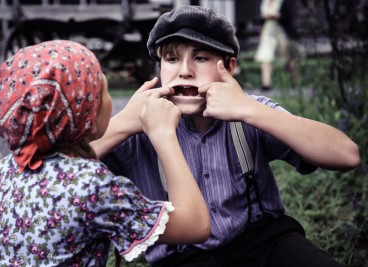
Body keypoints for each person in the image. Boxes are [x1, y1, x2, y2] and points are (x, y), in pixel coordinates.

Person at [91, 5, 360, 267]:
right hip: (183, 256)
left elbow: (347, 155)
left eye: (201, 58)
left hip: (263, 240)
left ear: (229, 68)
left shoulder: (250, 110)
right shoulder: (142, 123)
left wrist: (248, 109)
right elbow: (62, 172)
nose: (184, 70)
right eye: (172, 59)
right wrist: (126, 122)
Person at [0, 40, 211, 266]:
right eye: (103, 90)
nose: (110, 101)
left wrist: (126, 121)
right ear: (88, 113)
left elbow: (64, 175)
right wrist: (162, 134)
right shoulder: (93, 185)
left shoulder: (3, 170)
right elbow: (195, 224)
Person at [255, 0, 299, 91]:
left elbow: (288, 17)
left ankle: (295, 81)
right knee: (266, 57)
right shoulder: (265, 2)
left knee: (288, 58)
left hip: (281, 32)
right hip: (268, 32)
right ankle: (266, 84)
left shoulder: (282, 2)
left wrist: (277, 16)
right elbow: (261, 18)